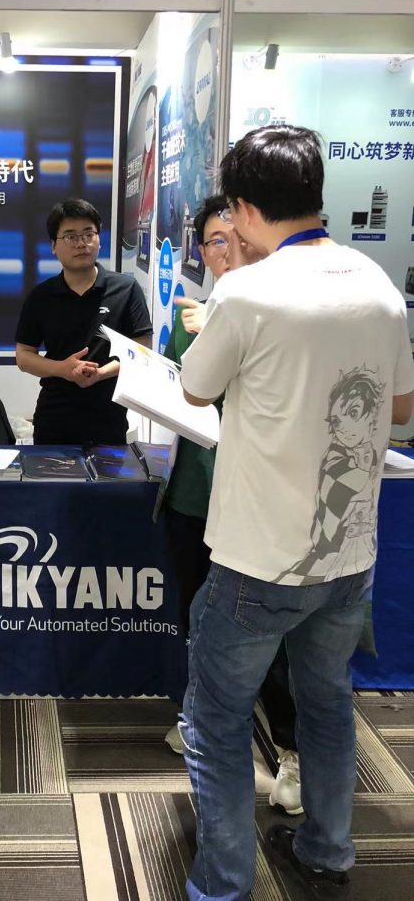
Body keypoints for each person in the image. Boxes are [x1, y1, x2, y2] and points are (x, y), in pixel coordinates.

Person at [177, 125, 414, 901]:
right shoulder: (377, 286)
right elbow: (400, 408)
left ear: (244, 209)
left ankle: (221, 885)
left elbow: (193, 389)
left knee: (216, 722)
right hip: (346, 558)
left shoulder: (246, 292)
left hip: (258, 560)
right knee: (326, 707)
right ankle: (327, 850)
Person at [162, 195, 302, 817]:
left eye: (238, 238)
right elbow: (182, 391)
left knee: (271, 640)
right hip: (195, 489)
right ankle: (203, 722)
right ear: (202, 251)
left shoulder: (284, 312)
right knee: (198, 619)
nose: (230, 251)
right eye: (217, 241)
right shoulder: (190, 315)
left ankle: (293, 752)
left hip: (255, 502)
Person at [15, 198, 152, 445]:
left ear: (99, 238)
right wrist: (62, 369)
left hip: (108, 418)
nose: (81, 243)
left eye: (89, 234)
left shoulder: (125, 288)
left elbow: (143, 351)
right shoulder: (41, 296)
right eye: (70, 236)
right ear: (53, 245)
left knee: (111, 472)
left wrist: (101, 373)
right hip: (54, 418)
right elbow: (24, 356)